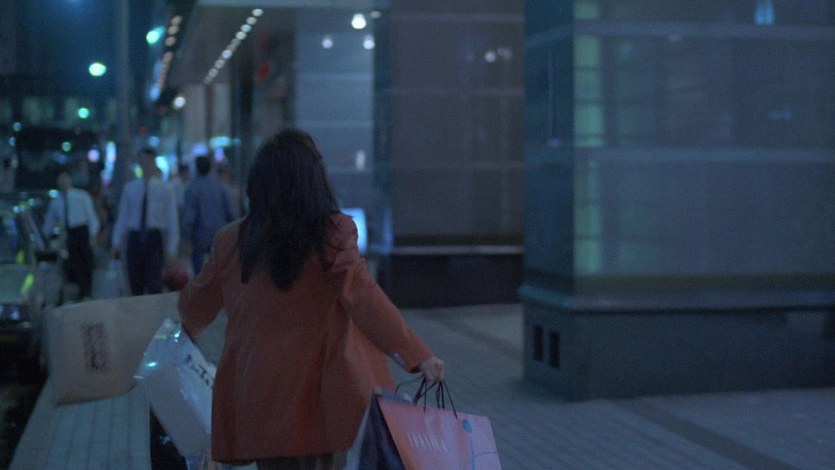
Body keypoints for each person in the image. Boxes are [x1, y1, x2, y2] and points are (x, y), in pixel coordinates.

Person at [178, 129, 444, 468]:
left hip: (258, 400)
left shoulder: (230, 242)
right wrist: (417, 355)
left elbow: (193, 309)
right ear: (314, 184)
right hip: (318, 403)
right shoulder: (331, 235)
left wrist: (172, 331)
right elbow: (363, 297)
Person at [111, 147, 180, 296]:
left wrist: (172, 249)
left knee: (154, 283)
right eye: (143, 160)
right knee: (135, 283)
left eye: (149, 160)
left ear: (154, 162)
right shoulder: (130, 188)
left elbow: (171, 220)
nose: (146, 164)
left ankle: (154, 311)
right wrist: (116, 241)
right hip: (135, 238)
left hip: (154, 238)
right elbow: (123, 217)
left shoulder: (166, 189)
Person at [42, 171, 100, 301]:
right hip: (70, 233)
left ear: (70, 180)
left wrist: (93, 235)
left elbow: (91, 216)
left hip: (83, 231)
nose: (63, 183)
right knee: (75, 262)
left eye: (65, 180)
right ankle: (82, 290)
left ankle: (88, 291)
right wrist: (46, 237)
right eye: (60, 181)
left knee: (87, 260)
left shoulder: (81, 196)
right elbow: (49, 222)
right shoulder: (56, 202)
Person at [182, 155, 236, 275]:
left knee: (199, 272)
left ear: (196, 168)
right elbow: (231, 212)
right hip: (220, 233)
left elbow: (189, 216)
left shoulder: (192, 188)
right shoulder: (220, 187)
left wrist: (187, 237)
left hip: (198, 236)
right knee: (219, 270)